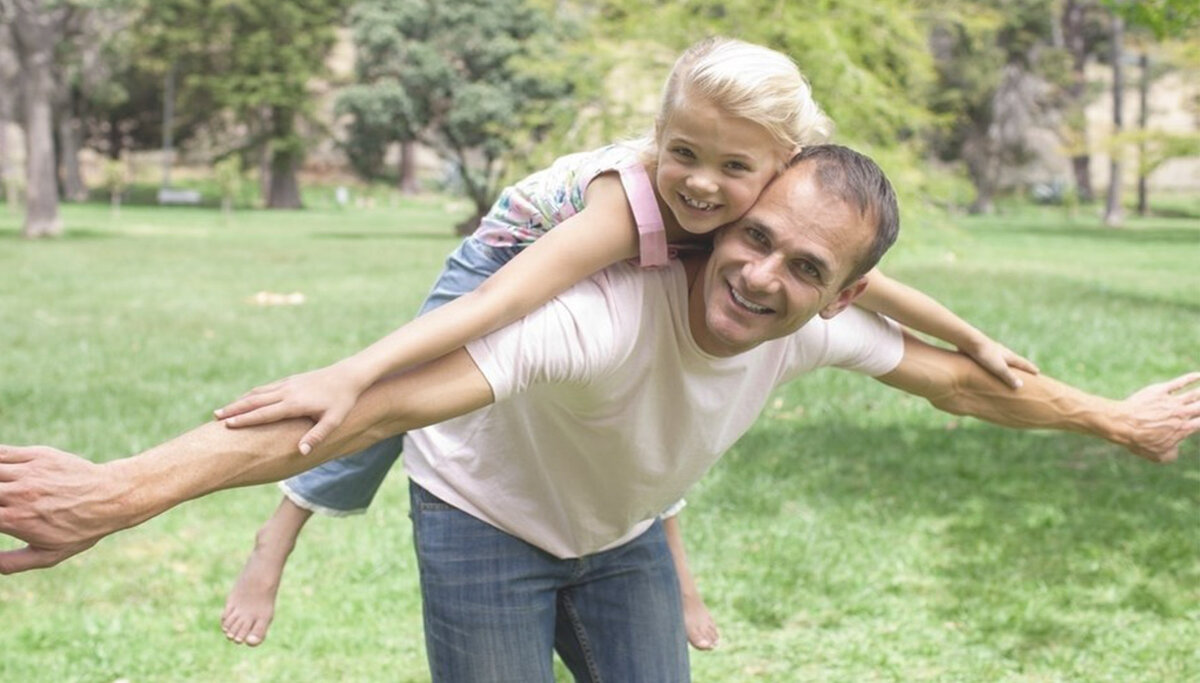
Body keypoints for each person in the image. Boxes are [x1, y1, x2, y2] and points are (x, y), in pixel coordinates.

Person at [4, 147, 1194, 682]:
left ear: (846, 291)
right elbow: (371, 405)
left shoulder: (824, 326)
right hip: (483, 522)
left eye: (807, 269)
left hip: (620, 537)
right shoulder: (601, 314)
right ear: (716, 224)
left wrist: (1117, 420)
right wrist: (122, 490)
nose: (765, 277)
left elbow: (972, 380)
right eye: (754, 238)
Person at [213, 37, 1034, 650]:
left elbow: (868, 280)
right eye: (682, 153)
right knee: (387, 408)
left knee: (647, 393)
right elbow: (507, 296)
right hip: (505, 263)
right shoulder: (626, 206)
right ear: (658, 136)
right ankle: (277, 537)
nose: (702, 183)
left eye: (732, 166)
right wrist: (353, 370)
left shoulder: (767, 218)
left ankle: (670, 574)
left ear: (782, 168)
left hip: (603, 309)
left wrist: (974, 337)